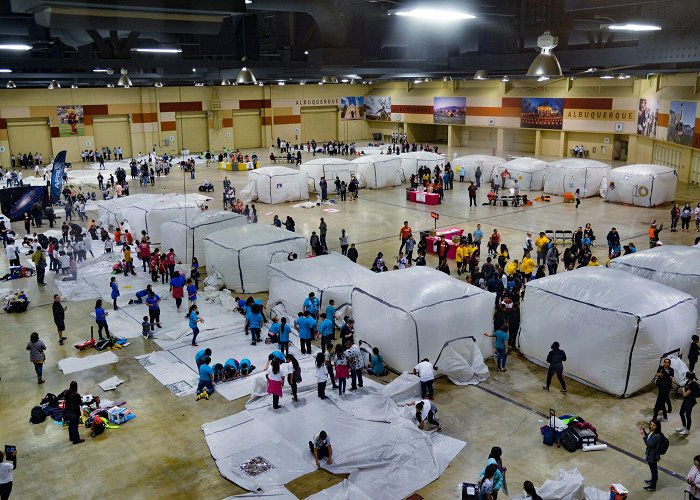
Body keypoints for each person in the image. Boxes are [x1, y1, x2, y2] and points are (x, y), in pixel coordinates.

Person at [640, 419, 662, 491]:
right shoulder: (652, 432)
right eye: (651, 424)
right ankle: (652, 480)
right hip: (650, 453)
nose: (651, 426)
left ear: (657, 426)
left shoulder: (656, 436)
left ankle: (653, 486)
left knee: (654, 471)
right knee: (653, 470)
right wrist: (644, 432)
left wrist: (643, 435)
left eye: (654, 425)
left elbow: (648, 444)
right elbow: (649, 438)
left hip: (653, 455)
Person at [678, 371, 699, 436]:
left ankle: (687, 430)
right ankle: (683, 426)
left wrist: (684, 390)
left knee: (687, 415)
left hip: (690, 401)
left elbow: (684, 394)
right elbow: (685, 389)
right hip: (686, 400)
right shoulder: (688, 382)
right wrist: (685, 390)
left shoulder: (693, 384)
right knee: (681, 413)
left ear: (688, 376)